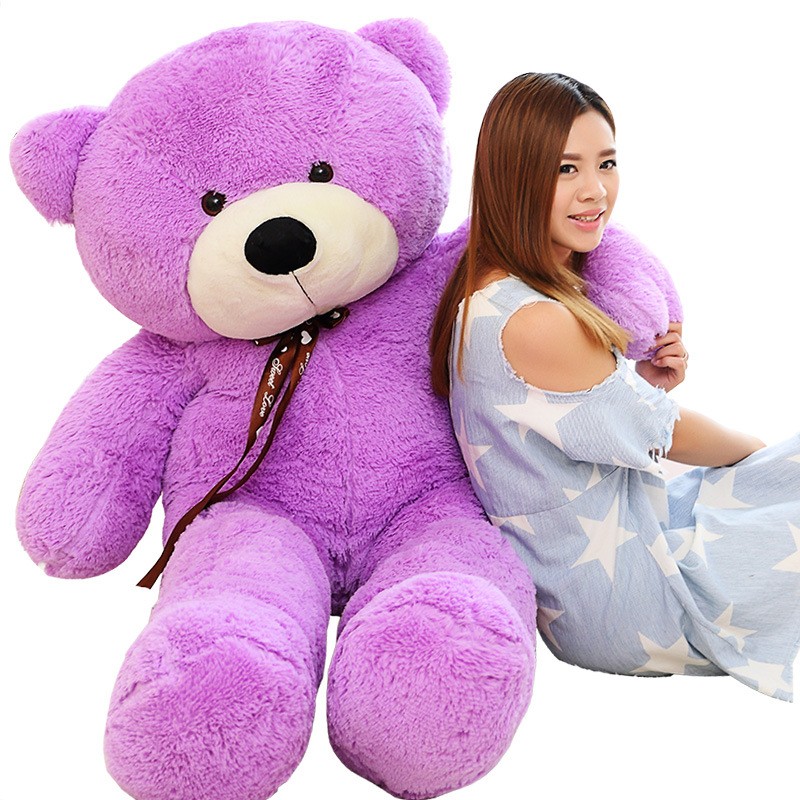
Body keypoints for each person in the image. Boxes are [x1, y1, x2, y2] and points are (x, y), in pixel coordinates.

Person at [430, 72, 800, 700]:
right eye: (565, 169)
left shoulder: (487, 287)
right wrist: (763, 457)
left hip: (613, 549)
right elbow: (667, 432)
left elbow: (578, 419)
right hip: (627, 593)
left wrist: (639, 387)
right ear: (513, 175)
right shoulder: (535, 319)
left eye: (606, 162)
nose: (595, 190)